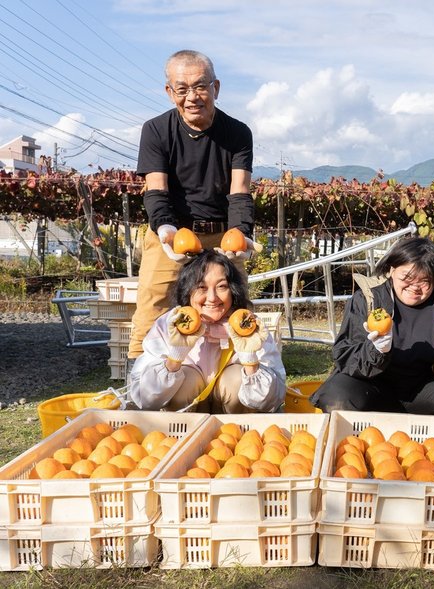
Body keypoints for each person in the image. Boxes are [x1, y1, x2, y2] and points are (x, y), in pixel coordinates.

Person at [129, 49, 257, 361]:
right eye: (182, 89)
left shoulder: (238, 133)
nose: (192, 97)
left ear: (216, 87)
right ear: (169, 92)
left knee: (235, 304)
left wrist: (242, 232)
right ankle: (139, 377)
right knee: (154, 301)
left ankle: (245, 370)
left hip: (221, 235)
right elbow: (156, 189)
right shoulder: (156, 130)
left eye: (200, 86)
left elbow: (239, 192)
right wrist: (166, 230)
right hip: (173, 233)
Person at [310, 237, 434, 421]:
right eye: (407, 278)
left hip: (426, 389)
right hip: (373, 386)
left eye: (424, 281)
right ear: (392, 270)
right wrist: (375, 351)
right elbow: (345, 356)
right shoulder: (368, 298)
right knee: (337, 395)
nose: (414, 287)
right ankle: (352, 444)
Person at [129, 250, 285, 413]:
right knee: (187, 380)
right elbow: (145, 399)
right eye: (201, 287)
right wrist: (174, 358)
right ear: (187, 291)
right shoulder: (169, 324)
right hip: (184, 427)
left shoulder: (250, 326)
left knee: (235, 378)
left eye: (222, 286)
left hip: (234, 432)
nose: (212, 297)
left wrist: (250, 361)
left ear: (233, 290)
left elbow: (272, 401)